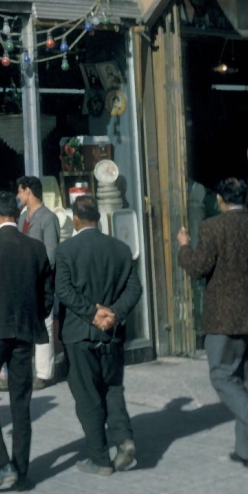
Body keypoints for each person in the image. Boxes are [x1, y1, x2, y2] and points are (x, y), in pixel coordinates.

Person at [178, 176, 248, 477]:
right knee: (247, 385)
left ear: (219, 201)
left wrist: (184, 247)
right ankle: (246, 451)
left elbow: (197, 267)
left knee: (222, 376)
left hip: (225, 320)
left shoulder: (212, 227)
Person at [0, 190, 54, 491]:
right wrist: (34, 316)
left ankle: (1, 464)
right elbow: (47, 295)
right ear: (17, 215)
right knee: (21, 401)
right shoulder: (35, 248)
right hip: (24, 332)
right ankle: (21, 470)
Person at [55, 195, 142, 476]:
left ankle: (100, 459)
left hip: (79, 334)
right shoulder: (120, 249)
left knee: (87, 396)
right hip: (112, 333)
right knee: (113, 388)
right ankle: (124, 439)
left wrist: (92, 314)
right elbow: (135, 289)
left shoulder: (65, 250)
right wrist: (114, 313)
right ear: (99, 218)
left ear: (75, 219)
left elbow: (63, 290)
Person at [16, 174, 61, 388]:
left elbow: (51, 254)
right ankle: (26, 368)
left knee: (45, 324)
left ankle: (44, 373)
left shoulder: (48, 218)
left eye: (20, 191)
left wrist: (37, 272)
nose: (18, 196)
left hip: (41, 279)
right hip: (23, 278)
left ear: (28, 191)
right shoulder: (22, 218)